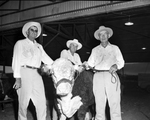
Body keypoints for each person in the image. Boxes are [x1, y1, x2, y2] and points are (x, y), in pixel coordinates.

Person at [12, 21, 54, 120]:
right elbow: (16, 60)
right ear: (27, 32)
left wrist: (59, 64)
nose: (34, 32)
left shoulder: (39, 46)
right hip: (24, 72)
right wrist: (17, 78)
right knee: (23, 103)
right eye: (32, 30)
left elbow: (47, 59)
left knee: (41, 102)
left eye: (36, 31)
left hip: (37, 73)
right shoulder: (20, 43)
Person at [86, 26, 125, 120]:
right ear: (98, 37)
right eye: (101, 35)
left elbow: (121, 62)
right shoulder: (95, 50)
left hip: (111, 76)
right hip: (98, 76)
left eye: (105, 34)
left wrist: (116, 66)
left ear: (108, 35)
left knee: (114, 101)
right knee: (99, 102)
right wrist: (86, 65)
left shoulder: (115, 48)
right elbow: (90, 64)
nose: (103, 36)